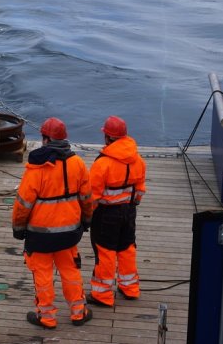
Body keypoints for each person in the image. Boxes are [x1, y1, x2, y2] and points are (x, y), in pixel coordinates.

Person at [12, 117, 93, 329]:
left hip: (40, 236)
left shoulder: (37, 168)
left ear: (45, 139)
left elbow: (23, 204)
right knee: (70, 271)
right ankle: (78, 312)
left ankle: (46, 317)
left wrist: (18, 229)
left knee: (43, 275)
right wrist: (86, 221)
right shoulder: (78, 164)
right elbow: (86, 198)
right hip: (69, 233)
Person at [88, 115, 147, 307]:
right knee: (127, 249)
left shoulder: (102, 164)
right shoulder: (137, 160)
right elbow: (139, 191)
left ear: (107, 137)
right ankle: (130, 287)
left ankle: (102, 295)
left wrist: (87, 217)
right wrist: (130, 206)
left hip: (106, 215)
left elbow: (93, 197)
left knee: (105, 253)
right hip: (129, 212)